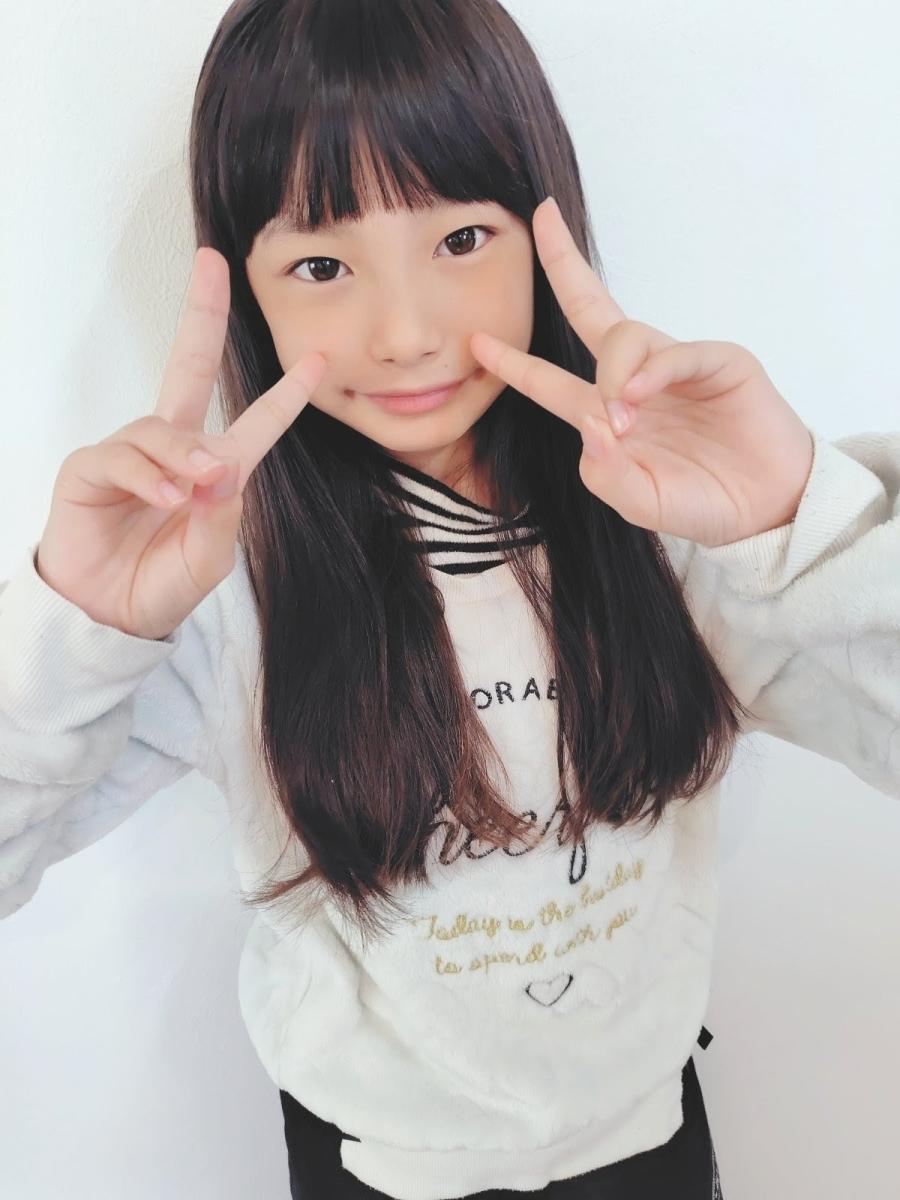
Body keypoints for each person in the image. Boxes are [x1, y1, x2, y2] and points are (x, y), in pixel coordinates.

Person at [1, 1, 898, 1197]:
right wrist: (81, 625)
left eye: (462, 239)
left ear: (544, 228)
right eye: (323, 265)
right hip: (374, 1163)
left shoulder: (676, 528)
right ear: (250, 293)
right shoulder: (219, 585)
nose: (407, 332)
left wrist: (795, 527)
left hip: (645, 1132)